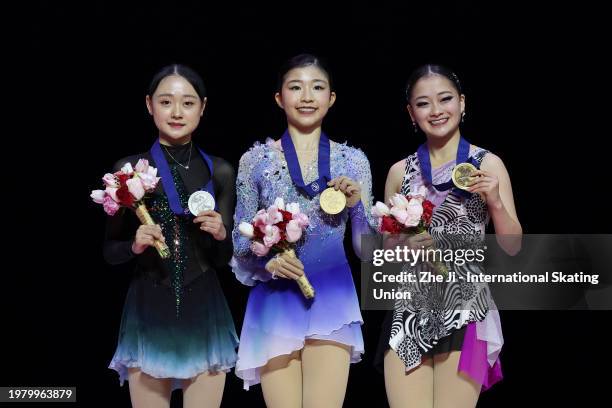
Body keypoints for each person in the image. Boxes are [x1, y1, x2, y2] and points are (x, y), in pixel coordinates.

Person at [230, 54, 375, 408]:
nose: (307, 96)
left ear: (332, 98)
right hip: (276, 301)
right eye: (296, 87)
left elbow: (365, 249)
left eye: (317, 87)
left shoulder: (354, 162)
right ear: (280, 98)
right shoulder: (255, 161)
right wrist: (269, 264)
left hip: (333, 296)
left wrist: (357, 205)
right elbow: (239, 239)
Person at [375, 64, 522, 407]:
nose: (437, 111)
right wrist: (405, 245)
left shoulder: (488, 164)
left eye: (445, 99)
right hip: (408, 310)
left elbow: (513, 247)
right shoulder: (400, 171)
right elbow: (385, 254)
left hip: (466, 308)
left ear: (463, 103)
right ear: (411, 113)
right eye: (424, 103)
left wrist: (496, 202)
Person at [104, 64, 238, 408]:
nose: (177, 112)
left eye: (188, 103)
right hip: (149, 308)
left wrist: (223, 234)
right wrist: (134, 245)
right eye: (166, 102)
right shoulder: (129, 171)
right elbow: (110, 251)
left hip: (205, 311)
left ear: (203, 107)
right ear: (150, 105)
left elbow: (224, 260)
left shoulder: (219, 170)